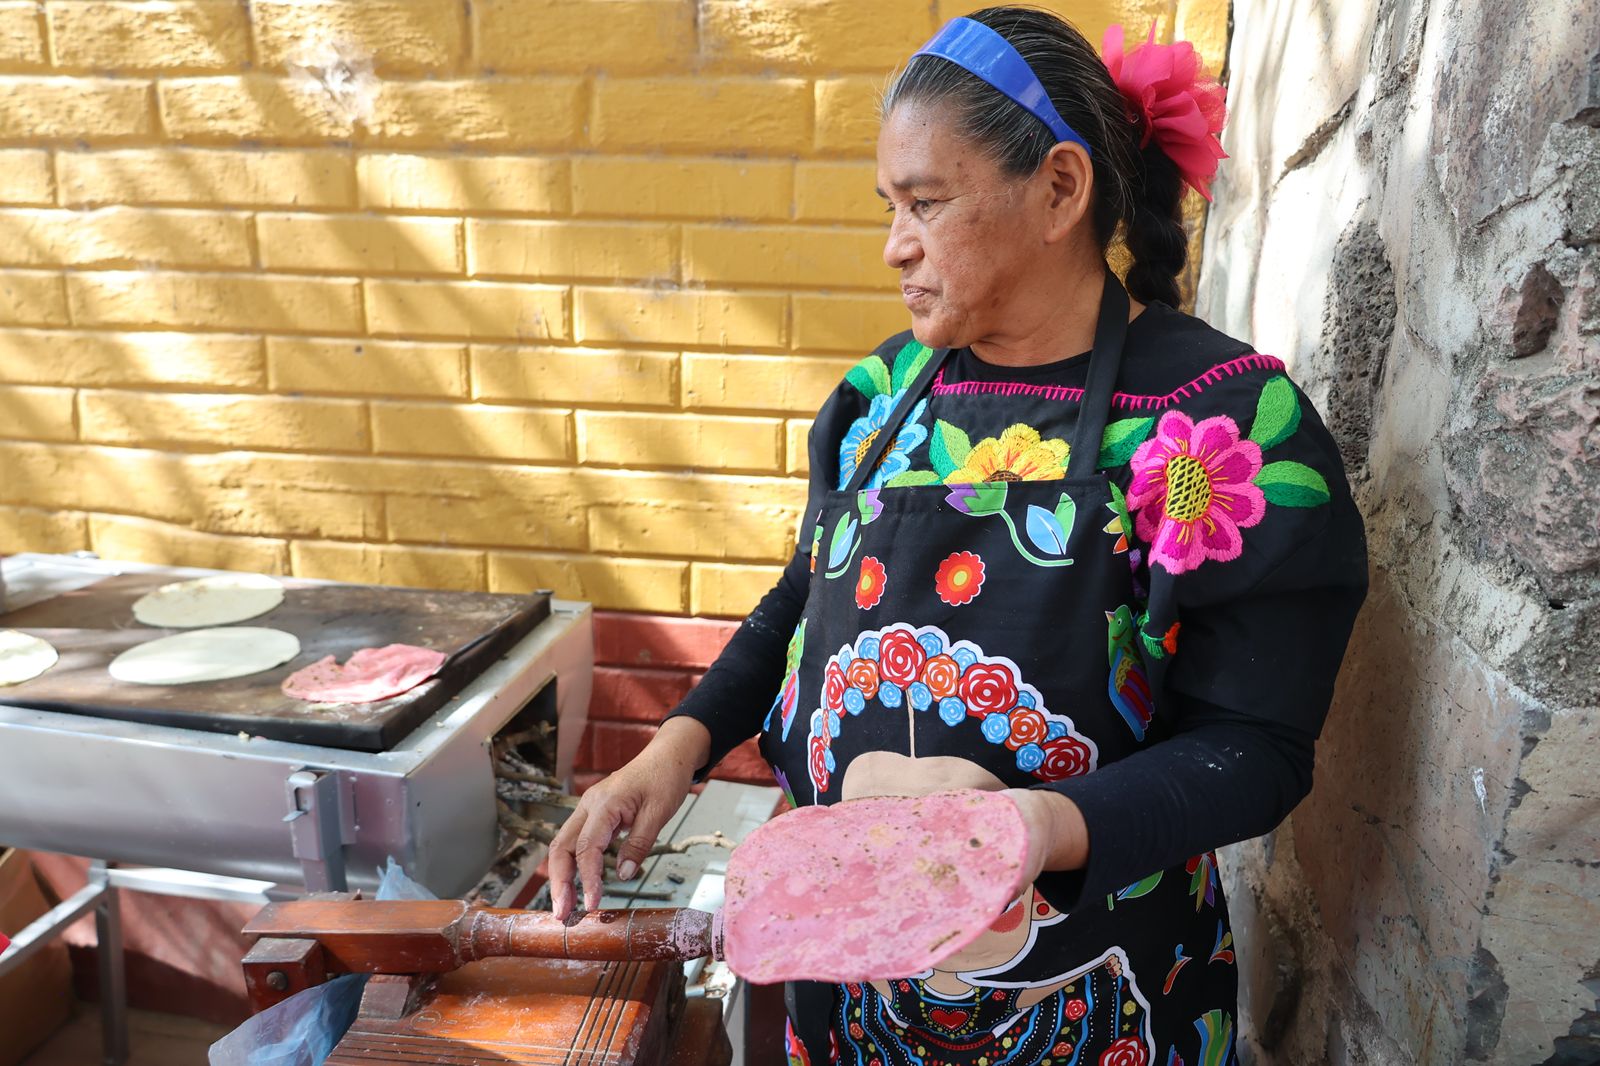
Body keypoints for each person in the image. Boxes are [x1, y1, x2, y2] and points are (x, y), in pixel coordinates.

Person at [548, 8, 1368, 1065]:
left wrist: (1029, 831)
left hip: (1103, 998)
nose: (895, 244)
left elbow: (1254, 748)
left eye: (926, 204)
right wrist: (675, 746)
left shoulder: (1215, 430)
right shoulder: (881, 393)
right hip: (849, 998)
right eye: (891, 206)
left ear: (1060, 189)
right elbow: (802, 593)